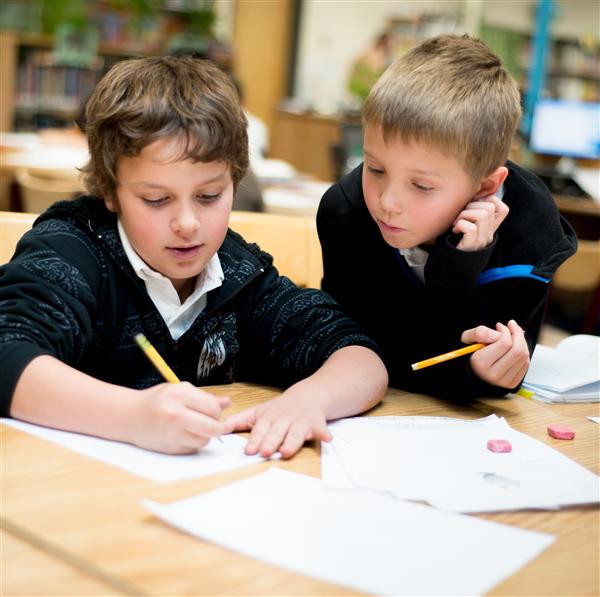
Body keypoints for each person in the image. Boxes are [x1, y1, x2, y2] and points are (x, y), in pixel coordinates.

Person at [0, 56, 388, 459]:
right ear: (110, 191)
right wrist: (132, 415)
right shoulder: (72, 250)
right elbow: (7, 352)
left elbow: (359, 355)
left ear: (234, 183)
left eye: (208, 197)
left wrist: (312, 399)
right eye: (156, 199)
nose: (187, 223)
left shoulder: (240, 272)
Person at [317, 34, 577, 402]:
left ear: (485, 187)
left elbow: (493, 374)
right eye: (374, 168)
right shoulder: (345, 212)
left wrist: (459, 272)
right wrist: (457, 370)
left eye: (421, 186)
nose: (388, 202)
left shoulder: (529, 235)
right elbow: (354, 345)